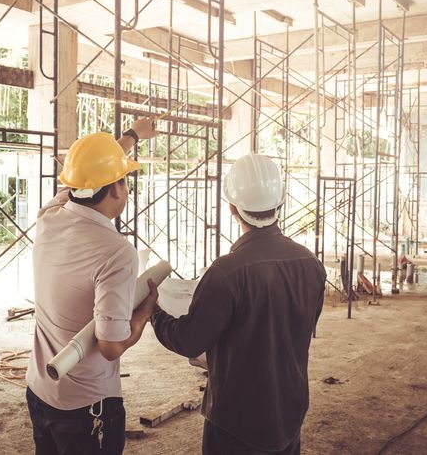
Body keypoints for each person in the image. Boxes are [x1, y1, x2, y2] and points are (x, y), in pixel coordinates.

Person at [151, 153, 326, 455]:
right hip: (289, 412)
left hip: (236, 421)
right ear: (280, 203)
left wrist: (153, 311)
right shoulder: (311, 264)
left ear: (232, 207)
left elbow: (187, 341)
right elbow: (300, 328)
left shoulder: (226, 272)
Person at [26, 118, 159, 455]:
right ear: (117, 188)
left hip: (39, 392)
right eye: (124, 180)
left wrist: (130, 137)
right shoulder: (117, 252)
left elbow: (84, 176)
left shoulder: (50, 216)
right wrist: (143, 313)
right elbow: (111, 346)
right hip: (86, 408)